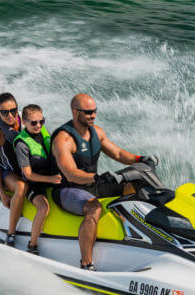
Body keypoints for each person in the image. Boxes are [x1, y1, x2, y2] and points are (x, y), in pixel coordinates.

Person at [51, 93, 156, 270]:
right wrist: (97, 178)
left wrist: (141, 158)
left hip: (93, 185)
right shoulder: (63, 139)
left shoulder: (97, 132)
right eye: (88, 112)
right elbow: (71, 173)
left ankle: (140, 239)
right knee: (94, 208)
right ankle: (86, 263)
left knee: (136, 183)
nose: (93, 115)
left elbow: (119, 154)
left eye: (94, 111)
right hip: (68, 189)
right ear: (76, 113)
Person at [13, 104, 62, 254]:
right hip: (34, 183)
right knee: (43, 207)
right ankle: (32, 245)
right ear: (25, 122)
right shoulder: (21, 144)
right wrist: (51, 179)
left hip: (51, 176)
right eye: (34, 123)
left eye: (41, 121)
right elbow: (27, 174)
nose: (38, 125)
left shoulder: (44, 132)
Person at [0, 92, 27, 245]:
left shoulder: (24, 119)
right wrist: (3, 194)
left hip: (25, 167)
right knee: (21, 187)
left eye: (13, 111)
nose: (10, 115)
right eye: (4, 112)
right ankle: (10, 234)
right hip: (8, 172)